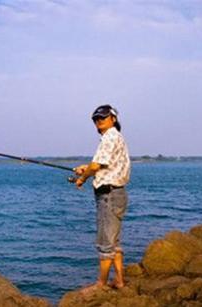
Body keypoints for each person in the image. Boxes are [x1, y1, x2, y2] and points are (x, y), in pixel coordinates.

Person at [74, 104, 131, 294]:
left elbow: (96, 165)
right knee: (114, 241)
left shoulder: (109, 137)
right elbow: (102, 166)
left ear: (113, 118)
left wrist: (83, 176)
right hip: (117, 193)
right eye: (96, 119)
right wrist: (87, 168)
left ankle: (101, 284)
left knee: (106, 243)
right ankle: (120, 281)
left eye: (103, 118)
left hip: (109, 195)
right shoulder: (116, 137)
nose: (99, 121)